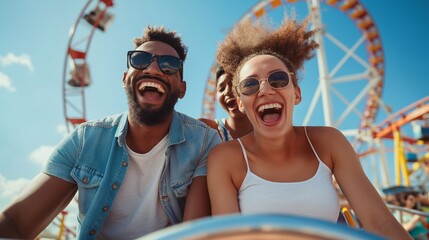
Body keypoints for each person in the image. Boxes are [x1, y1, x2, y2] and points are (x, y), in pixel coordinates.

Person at [0, 26, 221, 239]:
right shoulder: (85, 140)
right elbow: (16, 223)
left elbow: (195, 236)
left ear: (182, 89)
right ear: (125, 79)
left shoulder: (203, 142)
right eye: (140, 60)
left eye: (169, 65)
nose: (153, 69)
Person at [207, 17, 411, 239]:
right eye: (250, 85)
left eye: (278, 79)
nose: (264, 90)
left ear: (297, 94)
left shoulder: (329, 142)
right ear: (240, 103)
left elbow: (379, 222)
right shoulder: (224, 158)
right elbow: (229, 236)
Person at [199, 66, 253, 141]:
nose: (227, 91)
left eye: (234, 85)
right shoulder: (204, 129)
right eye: (221, 89)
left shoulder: (270, 129)